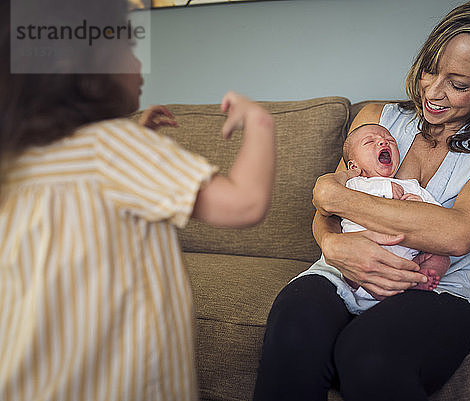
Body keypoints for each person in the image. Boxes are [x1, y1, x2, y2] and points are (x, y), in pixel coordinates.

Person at [253, 1, 470, 400]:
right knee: (293, 326)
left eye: (458, 85)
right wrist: (331, 243)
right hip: (342, 270)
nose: (433, 92)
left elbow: (457, 234)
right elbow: (329, 216)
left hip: (436, 289)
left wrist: (329, 193)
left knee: (369, 357)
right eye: (430, 69)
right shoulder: (376, 120)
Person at [0, 1, 275, 400]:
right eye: (129, 46)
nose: (139, 62)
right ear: (86, 70)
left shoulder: (16, 160)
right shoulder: (114, 148)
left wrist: (134, 138)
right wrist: (259, 122)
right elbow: (245, 203)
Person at [333, 123, 450, 309]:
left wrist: (421, 205)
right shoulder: (355, 184)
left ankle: (419, 279)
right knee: (349, 263)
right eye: (370, 141)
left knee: (441, 258)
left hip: (406, 262)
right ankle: (364, 286)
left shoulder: (411, 186)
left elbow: (440, 218)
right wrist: (386, 189)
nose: (382, 142)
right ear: (354, 165)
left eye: (390, 141)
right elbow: (337, 199)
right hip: (365, 258)